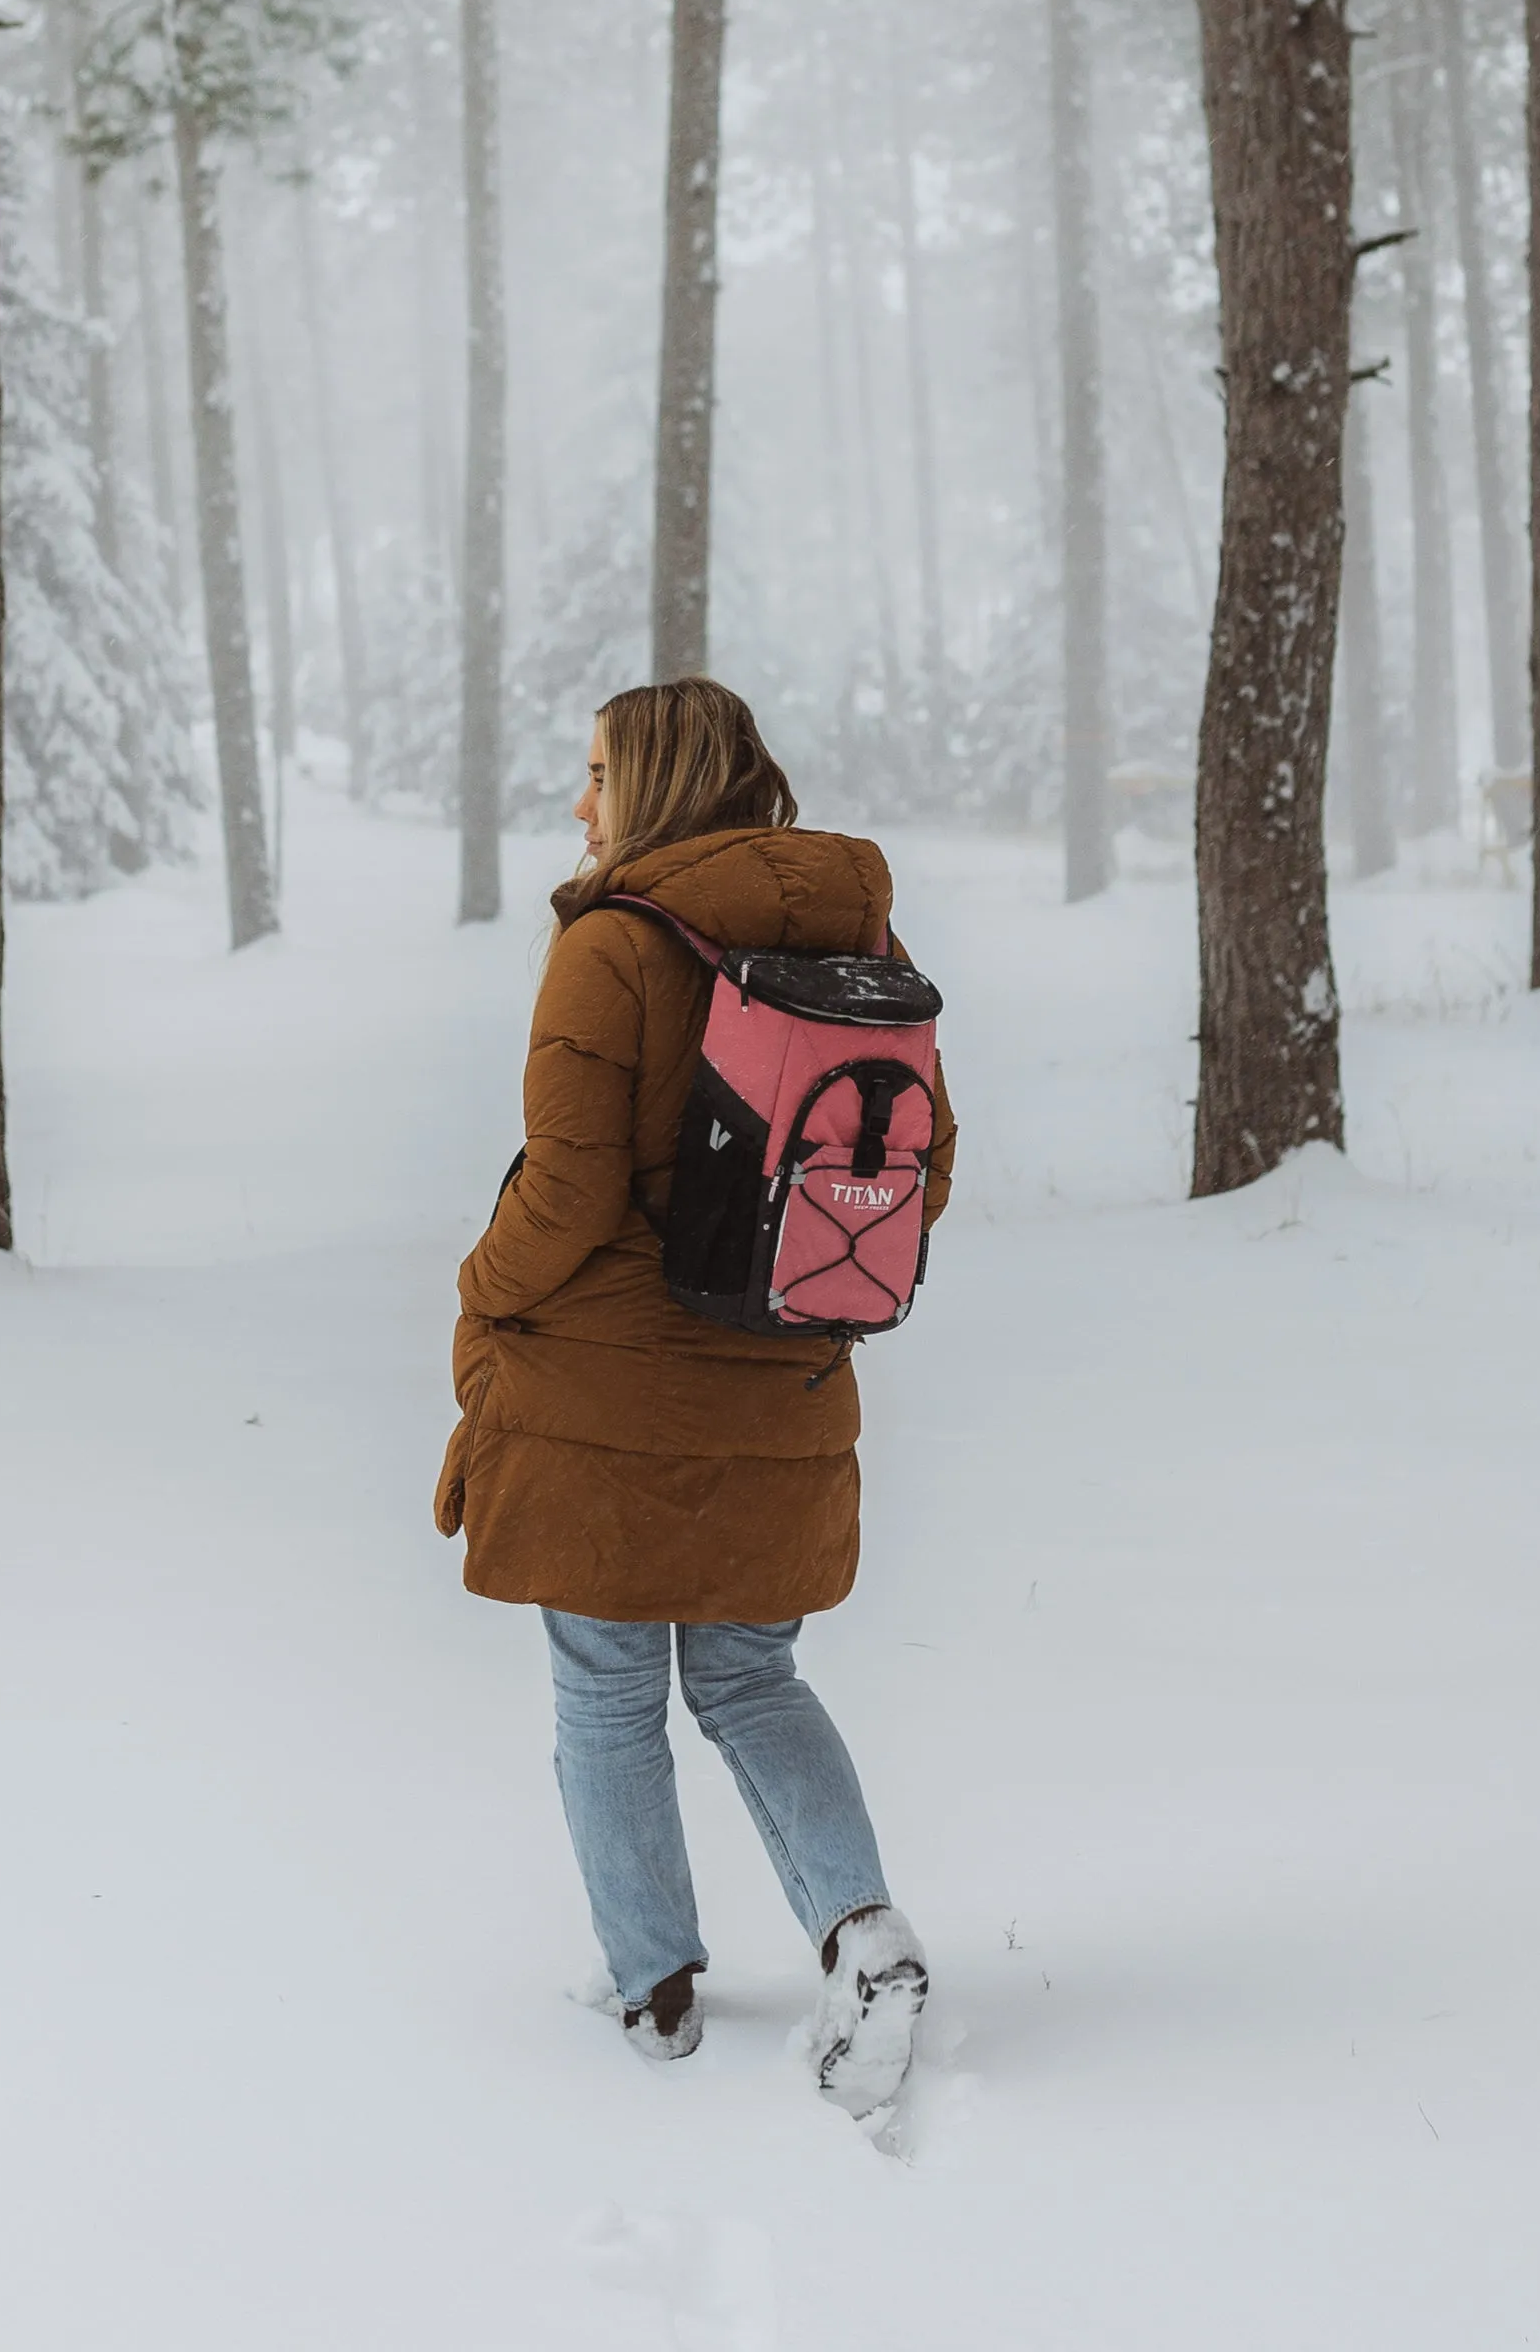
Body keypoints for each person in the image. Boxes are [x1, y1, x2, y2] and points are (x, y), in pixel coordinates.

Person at [433, 678, 956, 2115]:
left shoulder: (612, 946)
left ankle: (653, 1986)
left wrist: (481, 1286)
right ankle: (864, 1932)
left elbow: (569, 1190)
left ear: (655, 785)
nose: (581, 803)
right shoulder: (863, 938)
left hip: (602, 1392)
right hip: (787, 1375)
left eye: (598, 773)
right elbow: (928, 1163)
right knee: (750, 1675)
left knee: (608, 1691)